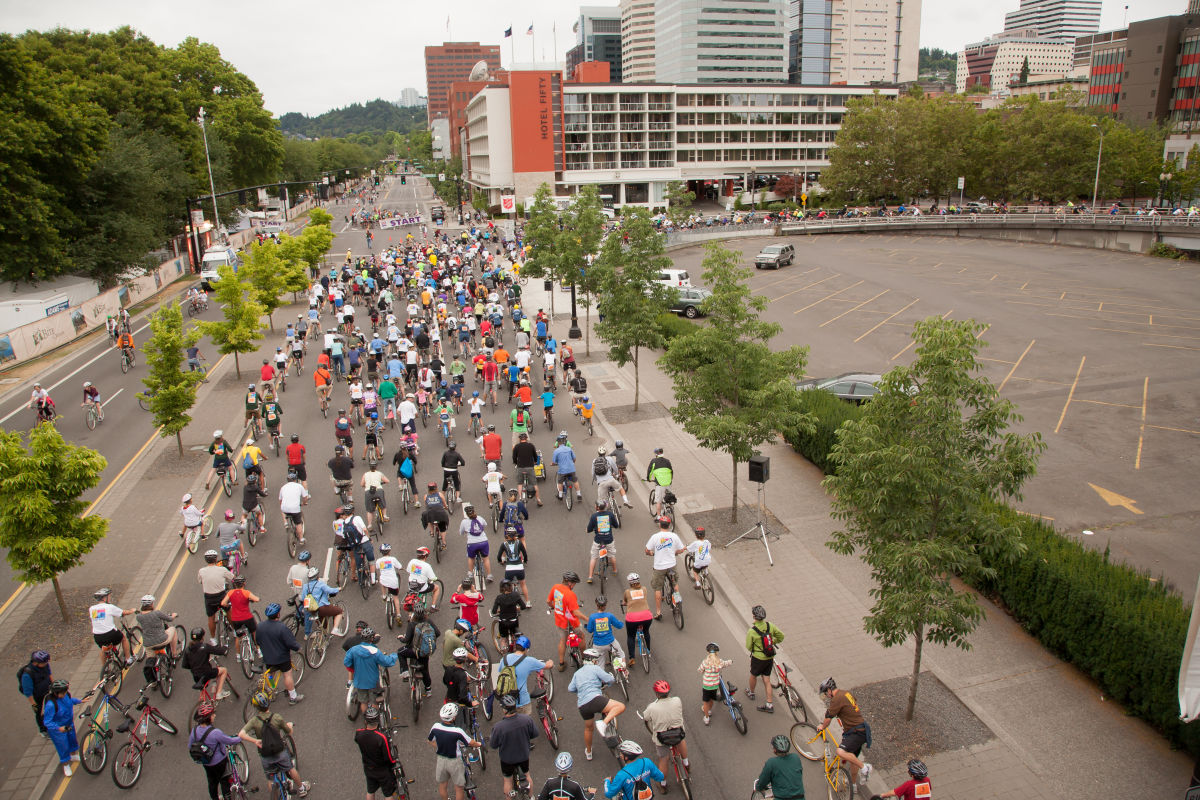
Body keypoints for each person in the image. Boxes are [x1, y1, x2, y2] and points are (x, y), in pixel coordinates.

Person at [239, 693, 310, 796]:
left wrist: (255, 741)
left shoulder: (254, 721)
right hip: (279, 751)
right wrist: (290, 725)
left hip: (265, 754)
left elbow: (241, 734)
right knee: (290, 769)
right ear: (268, 703)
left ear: (256, 707)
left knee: (271, 779)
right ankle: (302, 789)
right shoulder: (276, 717)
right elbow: (289, 732)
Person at [568, 648, 625, 761]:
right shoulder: (595, 668)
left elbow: (571, 688)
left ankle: (589, 752)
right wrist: (610, 680)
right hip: (595, 699)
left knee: (588, 728)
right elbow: (609, 679)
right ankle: (604, 723)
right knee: (620, 706)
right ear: (593, 660)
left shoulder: (577, 673)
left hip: (583, 706)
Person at [816, 677, 873, 785]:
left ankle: (865, 767)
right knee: (853, 758)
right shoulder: (845, 693)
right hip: (862, 730)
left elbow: (828, 718)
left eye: (825, 693)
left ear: (829, 690)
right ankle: (853, 784)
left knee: (840, 752)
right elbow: (851, 704)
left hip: (855, 732)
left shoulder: (836, 699)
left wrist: (822, 726)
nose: (826, 696)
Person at [642, 680, 689, 793]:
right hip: (678, 733)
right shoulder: (677, 700)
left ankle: (662, 784)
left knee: (664, 759)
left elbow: (645, 717)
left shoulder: (652, 707)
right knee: (681, 741)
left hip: (662, 738)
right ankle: (686, 763)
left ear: (657, 694)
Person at [190, 702, 244, 800]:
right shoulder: (215, 733)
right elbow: (230, 741)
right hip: (220, 762)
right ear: (208, 718)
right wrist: (240, 737)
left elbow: (190, 746)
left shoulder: (194, 731)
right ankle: (228, 797)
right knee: (224, 780)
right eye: (212, 714)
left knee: (212, 782)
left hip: (206, 763)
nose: (214, 715)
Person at [489, 693, 540, 796]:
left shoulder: (499, 727)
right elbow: (535, 733)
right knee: (527, 775)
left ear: (504, 710)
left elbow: (493, 745)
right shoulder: (526, 720)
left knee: (508, 781)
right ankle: (531, 797)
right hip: (523, 756)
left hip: (507, 760)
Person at [428, 702, 479, 800]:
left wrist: (439, 747)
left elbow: (430, 740)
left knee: (443, 786)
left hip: (441, 760)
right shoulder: (457, 731)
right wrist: (478, 744)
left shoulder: (435, 727)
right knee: (459, 788)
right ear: (453, 718)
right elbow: (471, 742)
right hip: (455, 761)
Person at [344, 627, 399, 716]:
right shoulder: (375, 651)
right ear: (372, 639)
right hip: (373, 681)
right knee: (374, 701)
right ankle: (375, 718)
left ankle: (366, 719)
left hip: (359, 680)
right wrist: (394, 656)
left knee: (363, 702)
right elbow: (386, 662)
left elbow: (347, 662)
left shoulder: (354, 650)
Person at [496, 635, 555, 716]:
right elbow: (548, 666)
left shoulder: (504, 659)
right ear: (526, 649)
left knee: (511, 720)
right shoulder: (529, 661)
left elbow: (500, 671)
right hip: (522, 701)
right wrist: (550, 662)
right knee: (524, 721)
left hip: (507, 701)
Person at [257, 603, 303, 704]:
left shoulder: (260, 626)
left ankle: (272, 690)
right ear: (278, 614)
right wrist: (298, 648)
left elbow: (258, 641)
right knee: (287, 675)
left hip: (268, 657)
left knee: (270, 674)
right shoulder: (282, 627)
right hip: (282, 658)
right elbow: (290, 642)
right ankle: (293, 696)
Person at [354, 704, 401, 800]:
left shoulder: (359, 733)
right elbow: (388, 756)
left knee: (370, 791)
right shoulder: (381, 737)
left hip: (368, 768)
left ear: (365, 721)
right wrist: (393, 763)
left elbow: (357, 739)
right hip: (381, 770)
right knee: (388, 794)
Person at [745, 605, 786, 713]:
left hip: (758, 658)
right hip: (769, 657)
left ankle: (751, 692)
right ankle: (769, 704)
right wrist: (772, 641)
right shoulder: (770, 625)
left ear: (754, 616)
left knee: (753, 675)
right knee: (767, 680)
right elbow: (781, 636)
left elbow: (748, 646)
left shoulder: (752, 631)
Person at [644, 519, 686, 619]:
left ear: (660, 525)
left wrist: (651, 553)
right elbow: (681, 550)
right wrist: (675, 552)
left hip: (659, 567)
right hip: (672, 565)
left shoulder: (655, 537)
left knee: (658, 588)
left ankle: (658, 612)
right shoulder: (674, 536)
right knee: (675, 583)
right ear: (669, 525)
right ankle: (678, 602)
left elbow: (647, 550)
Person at [397, 608, 439, 697]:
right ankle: (428, 689)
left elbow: (406, 639)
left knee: (400, 652)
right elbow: (438, 633)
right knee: (425, 670)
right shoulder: (428, 621)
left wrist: (400, 638)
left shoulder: (412, 624)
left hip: (413, 650)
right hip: (424, 651)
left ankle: (405, 673)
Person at [547, 572, 585, 671]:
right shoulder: (570, 594)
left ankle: (561, 664)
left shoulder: (555, 587)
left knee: (563, 641)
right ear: (570, 583)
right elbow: (575, 612)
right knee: (581, 636)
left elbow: (548, 601)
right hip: (572, 622)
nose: (574, 586)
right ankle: (584, 659)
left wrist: (554, 607)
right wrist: (587, 619)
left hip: (560, 621)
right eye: (574, 583)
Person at [43, 680, 82, 775]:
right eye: (62, 693)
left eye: (65, 692)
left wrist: (80, 701)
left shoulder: (66, 695)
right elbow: (47, 722)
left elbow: (70, 701)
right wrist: (58, 728)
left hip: (69, 724)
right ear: (56, 693)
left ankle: (73, 755)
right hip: (58, 730)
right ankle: (65, 764)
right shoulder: (51, 705)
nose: (64, 694)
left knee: (72, 740)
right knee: (63, 746)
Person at [88, 588, 136, 665]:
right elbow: (123, 612)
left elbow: (101, 616)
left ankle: (105, 668)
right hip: (110, 634)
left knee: (103, 649)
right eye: (109, 596)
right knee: (124, 639)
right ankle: (128, 659)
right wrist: (132, 611)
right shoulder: (109, 607)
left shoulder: (92, 609)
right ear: (104, 598)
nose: (110, 598)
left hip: (97, 636)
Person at [752, 735, 807, 800]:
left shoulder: (771, 763)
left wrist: (758, 788)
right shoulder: (796, 757)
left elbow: (762, 782)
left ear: (775, 750)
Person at [183, 628, 230, 701]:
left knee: (202, 684)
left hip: (196, 676)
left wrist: (194, 666)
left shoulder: (187, 650)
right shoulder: (204, 647)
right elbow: (218, 651)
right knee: (224, 670)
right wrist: (225, 648)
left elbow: (185, 665)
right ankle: (219, 693)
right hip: (207, 673)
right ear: (202, 637)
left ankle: (202, 700)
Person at [198, 548, 234, 640]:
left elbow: (200, 581)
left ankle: (213, 639)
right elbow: (232, 577)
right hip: (221, 596)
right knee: (229, 611)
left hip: (209, 598)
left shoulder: (201, 571)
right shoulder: (222, 569)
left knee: (211, 618)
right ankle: (234, 631)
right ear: (216, 559)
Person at [301, 566, 345, 640]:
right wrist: (338, 589)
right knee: (339, 611)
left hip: (312, 610)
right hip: (322, 607)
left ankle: (323, 639)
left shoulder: (305, 586)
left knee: (323, 623)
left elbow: (303, 598)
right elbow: (330, 590)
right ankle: (335, 629)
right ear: (317, 576)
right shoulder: (320, 584)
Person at [18, 650, 52, 737]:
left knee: (50, 708)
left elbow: (49, 674)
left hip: (46, 691)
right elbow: (28, 691)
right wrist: (34, 704)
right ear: (36, 663)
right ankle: (43, 730)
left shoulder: (45, 665)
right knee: (39, 713)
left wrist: (53, 685)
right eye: (44, 662)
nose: (46, 664)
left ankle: (50, 723)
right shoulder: (27, 674)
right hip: (37, 696)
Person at [586, 595, 625, 668]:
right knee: (621, 654)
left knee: (600, 663)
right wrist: (621, 623)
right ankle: (622, 668)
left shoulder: (592, 617)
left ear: (596, 605)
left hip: (598, 645)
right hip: (610, 642)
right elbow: (619, 626)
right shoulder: (609, 616)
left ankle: (602, 674)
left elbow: (589, 630)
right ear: (605, 605)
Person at [586, 500, 620, 584]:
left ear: (597, 507)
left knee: (594, 557)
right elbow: (616, 525)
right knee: (612, 555)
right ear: (605, 507)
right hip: (609, 540)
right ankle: (615, 570)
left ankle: (590, 577)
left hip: (598, 540)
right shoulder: (610, 514)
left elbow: (589, 529)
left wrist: (587, 530)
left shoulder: (594, 516)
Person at [458, 503, 493, 583]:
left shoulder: (464, 522)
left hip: (472, 543)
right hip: (483, 541)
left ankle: (470, 573)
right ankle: (489, 575)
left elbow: (461, 533)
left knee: (471, 557)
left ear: (466, 513)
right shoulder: (480, 518)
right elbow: (485, 525)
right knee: (485, 558)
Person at [222, 576, 260, 647]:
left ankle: (238, 653)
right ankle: (258, 649)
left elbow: (223, 603)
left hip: (235, 619)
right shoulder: (246, 592)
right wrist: (257, 599)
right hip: (247, 618)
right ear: (244, 583)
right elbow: (256, 599)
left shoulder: (230, 592)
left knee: (238, 637)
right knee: (254, 632)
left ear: (235, 584)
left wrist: (228, 605)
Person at [621, 574, 653, 659]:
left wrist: (624, 603)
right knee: (646, 632)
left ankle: (632, 658)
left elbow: (625, 602)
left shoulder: (627, 592)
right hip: (647, 617)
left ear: (630, 583)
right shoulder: (644, 589)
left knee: (631, 636)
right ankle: (648, 650)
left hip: (632, 619)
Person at [491, 579, 528, 644]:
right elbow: (523, 607)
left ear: (501, 588)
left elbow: (494, 611)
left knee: (503, 637)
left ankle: (503, 647)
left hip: (503, 622)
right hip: (514, 621)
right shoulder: (516, 595)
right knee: (515, 634)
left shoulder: (499, 597)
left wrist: (498, 611)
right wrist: (517, 608)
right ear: (511, 587)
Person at [511, 432, 542, 506]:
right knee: (534, 484)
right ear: (526, 439)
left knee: (520, 483)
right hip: (530, 467)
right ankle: (538, 500)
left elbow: (514, 457)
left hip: (520, 467)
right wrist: (535, 461)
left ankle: (520, 498)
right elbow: (535, 456)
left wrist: (516, 463)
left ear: (519, 439)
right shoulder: (531, 446)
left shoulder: (517, 447)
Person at [279, 471, 310, 544]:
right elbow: (305, 497)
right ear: (295, 479)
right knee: (298, 523)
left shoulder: (283, 487)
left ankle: (286, 523)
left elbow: (280, 500)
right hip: (295, 508)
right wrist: (304, 503)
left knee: (282, 509)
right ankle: (301, 539)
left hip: (285, 508)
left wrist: (282, 505)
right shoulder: (299, 486)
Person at [421, 482, 451, 553]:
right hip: (440, 513)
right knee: (442, 528)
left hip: (430, 513)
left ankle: (432, 532)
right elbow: (445, 504)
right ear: (436, 488)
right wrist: (446, 508)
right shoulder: (440, 494)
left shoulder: (426, 496)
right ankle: (444, 543)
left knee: (428, 517)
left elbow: (426, 505)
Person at [376, 543, 404, 618]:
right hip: (393, 582)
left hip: (384, 581)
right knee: (395, 597)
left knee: (381, 580)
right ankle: (398, 615)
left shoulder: (378, 561)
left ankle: (384, 595)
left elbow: (377, 567)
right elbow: (400, 566)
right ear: (389, 551)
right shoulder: (393, 559)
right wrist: (401, 568)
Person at [552, 433, 582, 501]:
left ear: (558, 443)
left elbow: (554, 462)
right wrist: (572, 463)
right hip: (571, 469)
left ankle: (560, 496)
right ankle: (579, 494)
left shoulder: (556, 451)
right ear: (564, 442)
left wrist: (553, 464)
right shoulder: (569, 449)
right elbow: (574, 458)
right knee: (575, 481)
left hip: (562, 471)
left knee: (560, 482)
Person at [645, 448, 673, 518]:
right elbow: (671, 471)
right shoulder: (667, 461)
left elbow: (650, 471)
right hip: (668, 482)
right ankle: (671, 508)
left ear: (656, 454)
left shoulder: (654, 461)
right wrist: (670, 479)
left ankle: (658, 516)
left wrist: (648, 479)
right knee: (668, 496)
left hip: (660, 483)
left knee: (659, 501)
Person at [361, 461, 391, 528]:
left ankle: (369, 525)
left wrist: (366, 485)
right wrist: (381, 483)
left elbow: (362, 484)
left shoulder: (365, 474)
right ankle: (385, 516)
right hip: (378, 491)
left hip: (368, 492)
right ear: (376, 467)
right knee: (383, 504)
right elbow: (387, 481)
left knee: (369, 510)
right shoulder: (379, 473)